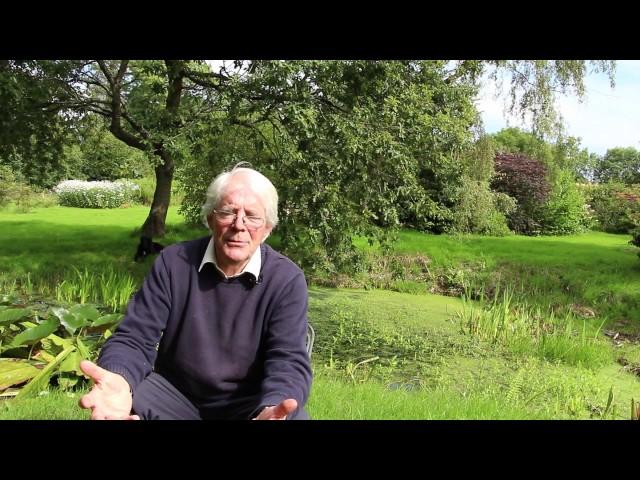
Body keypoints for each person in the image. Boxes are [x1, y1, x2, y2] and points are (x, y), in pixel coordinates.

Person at [79, 164, 312, 420]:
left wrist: (273, 406)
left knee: (290, 416)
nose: (239, 225)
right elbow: (134, 337)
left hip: (249, 403)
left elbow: (288, 359)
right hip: (175, 395)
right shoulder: (173, 262)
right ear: (211, 218)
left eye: (253, 216)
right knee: (127, 398)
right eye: (228, 212)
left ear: (267, 228)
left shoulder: (287, 279)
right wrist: (120, 378)